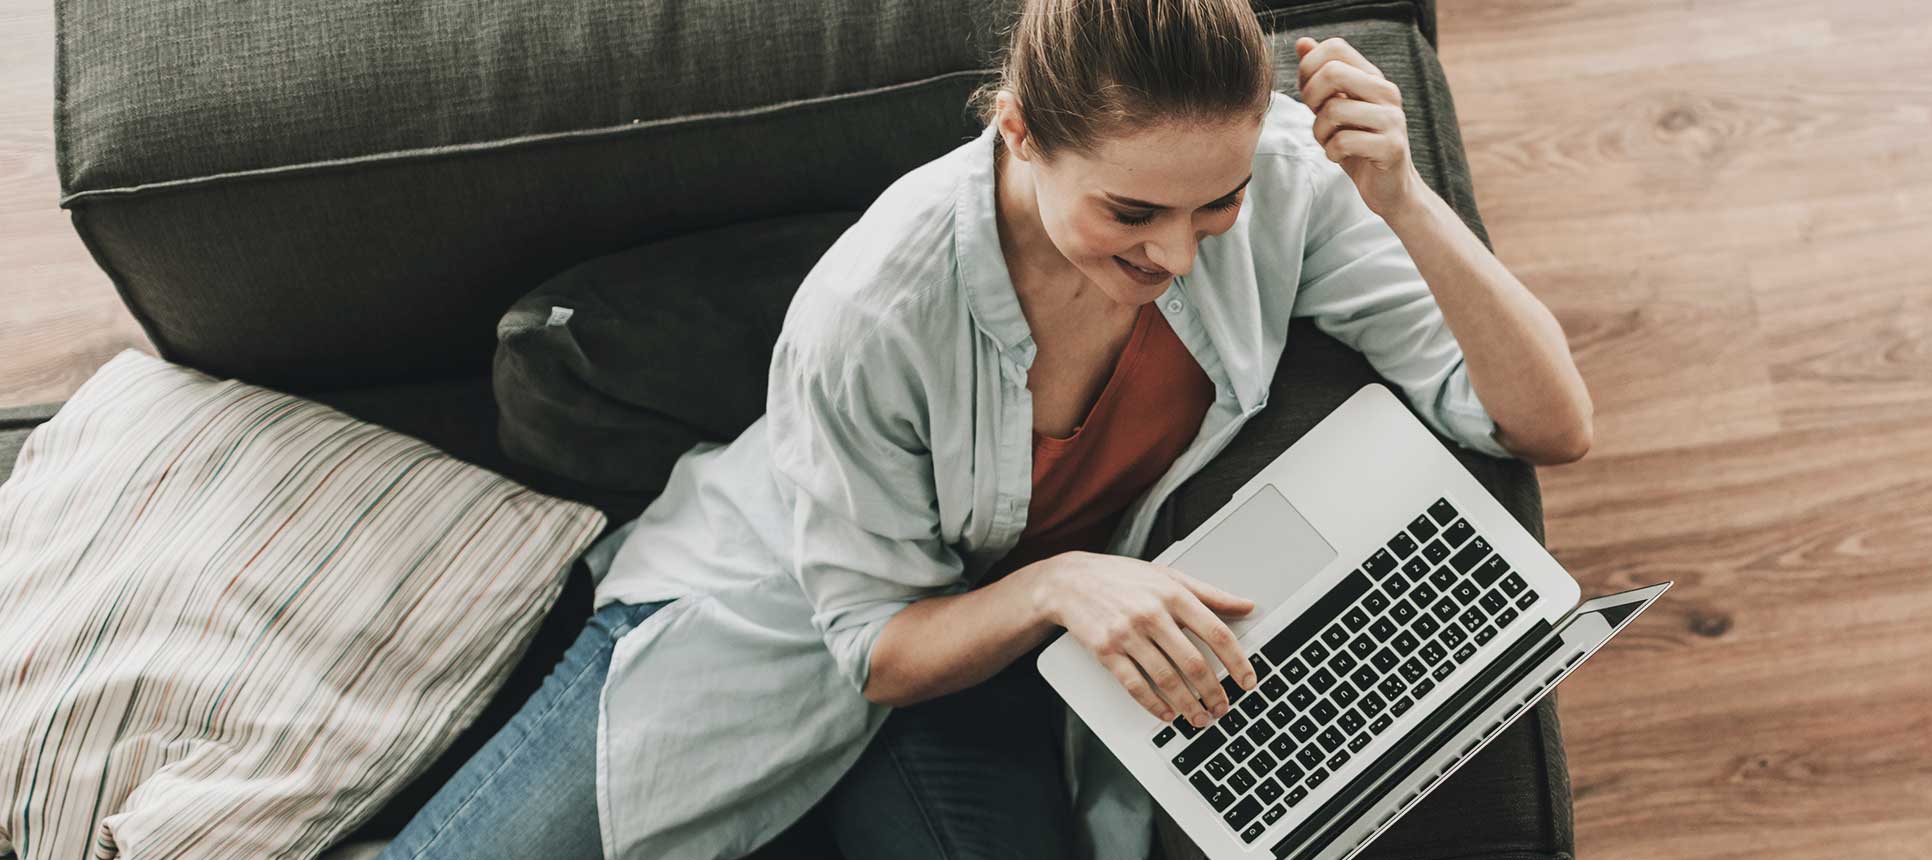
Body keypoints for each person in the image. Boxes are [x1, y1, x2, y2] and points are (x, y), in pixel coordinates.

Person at [379, 0, 1592, 857]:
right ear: (1018, 132)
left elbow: (1547, 422)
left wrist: (1403, 197)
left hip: (990, 676)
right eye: (1131, 211)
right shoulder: (872, 310)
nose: (1177, 254)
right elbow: (874, 646)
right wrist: (1061, 582)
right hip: (777, 622)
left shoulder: (1276, 178)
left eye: (1214, 206)